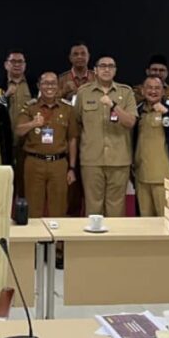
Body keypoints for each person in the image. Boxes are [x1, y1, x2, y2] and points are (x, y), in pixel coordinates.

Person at [75, 56, 138, 217]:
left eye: (111, 66)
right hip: (91, 160)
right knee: (92, 206)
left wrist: (113, 105)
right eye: (102, 66)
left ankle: (114, 242)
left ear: (115, 70)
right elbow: (76, 123)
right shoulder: (83, 92)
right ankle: (93, 242)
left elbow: (131, 122)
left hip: (119, 159)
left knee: (116, 207)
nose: (106, 69)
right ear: (95, 70)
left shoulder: (126, 92)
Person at [16, 71, 78, 218]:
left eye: (53, 83)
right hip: (34, 162)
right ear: (38, 86)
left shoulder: (67, 109)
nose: (49, 86)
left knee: (59, 208)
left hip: (59, 163)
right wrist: (32, 123)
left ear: (58, 86)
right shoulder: (30, 107)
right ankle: (34, 240)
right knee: (33, 209)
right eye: (45, 83)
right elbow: (19, 130)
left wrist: (72, 168)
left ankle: (57, 241)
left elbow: (72, 139)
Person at [132, 75, 169, 217]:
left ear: (163, 91)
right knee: (144, 220)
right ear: (142, 90)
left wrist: (168, 112)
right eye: (149, 88)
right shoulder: (138, 110)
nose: (153, 91)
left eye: (157, 88)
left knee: (164, 219)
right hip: (141, 176)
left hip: (164, 175)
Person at [58, 42, 94, 217]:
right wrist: (63, 92)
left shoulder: (96, 78)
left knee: (92, 188)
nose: (80, 57)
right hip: (68, 139)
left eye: (83, 54)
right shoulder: (62, 80)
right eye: (76, 54)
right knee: (71, 188)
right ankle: (70, 222)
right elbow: (49, 102)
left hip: (92, 139)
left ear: (88, 57)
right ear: (70, 58)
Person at [1, 49, 32, 197]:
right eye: (13, 61)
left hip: (27, 140)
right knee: (4, 179)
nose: (17, 65)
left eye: (20, 62)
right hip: (3, 139)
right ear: (6, 64)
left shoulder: (32, 83)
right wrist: (6, 95)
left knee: (24, 179)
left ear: (25, 65)